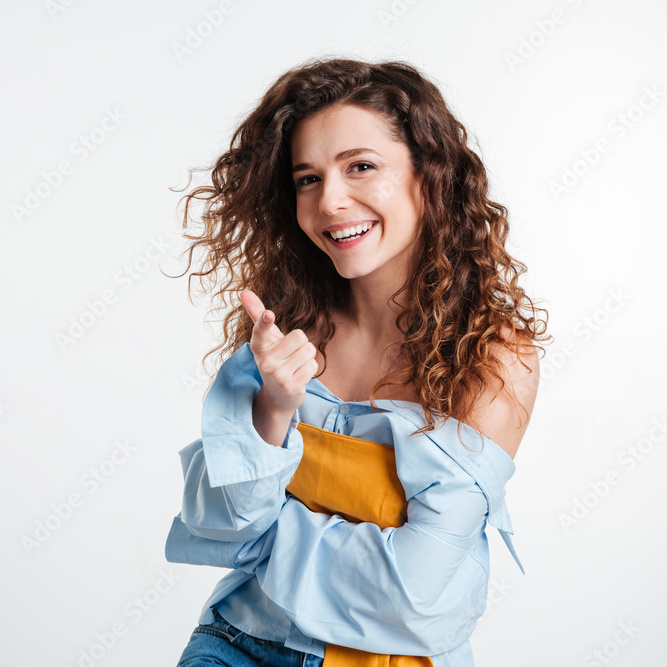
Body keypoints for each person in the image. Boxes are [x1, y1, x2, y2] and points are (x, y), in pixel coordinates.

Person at [164, 57, 548, 666]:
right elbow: (218, 522)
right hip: (237, 644)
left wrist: (264, 540)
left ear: (430, 175)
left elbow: (414, 599)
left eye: (360, 167)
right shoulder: (283, 329)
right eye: (307, 179)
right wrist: (272, 410)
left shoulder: (492, 358)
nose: (330, 201)